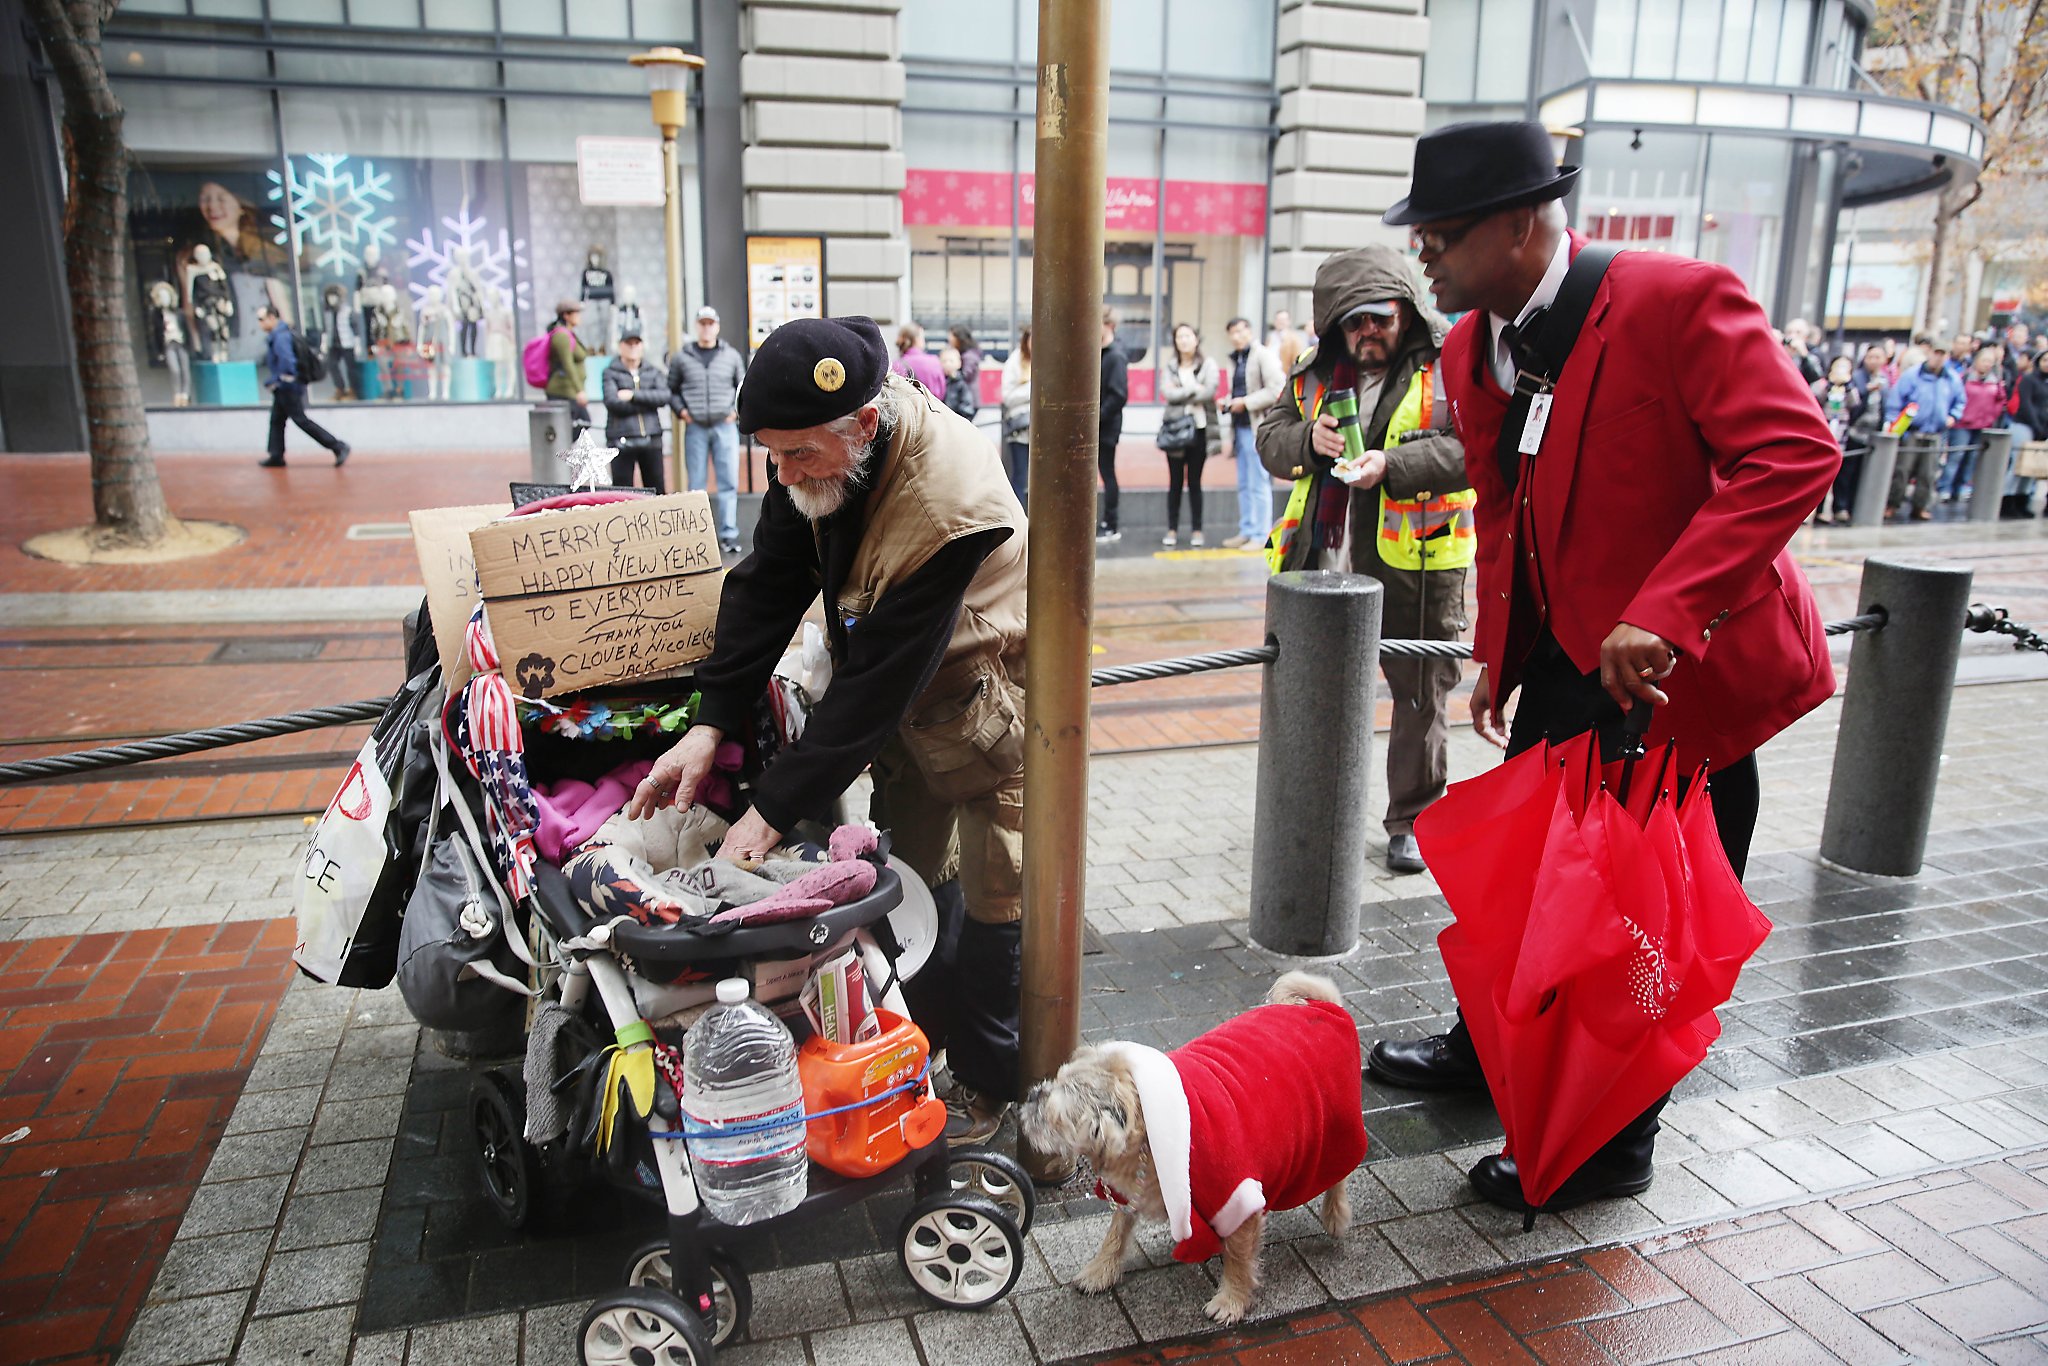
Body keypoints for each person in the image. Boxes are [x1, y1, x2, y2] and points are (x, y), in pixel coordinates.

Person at [1369, 121, 1838, 1216]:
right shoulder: (1468, 344)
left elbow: (1792, 452)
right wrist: (1496, 653)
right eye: (1420, 235)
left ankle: (1615, 1140)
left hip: (1684, 681)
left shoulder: (1676, 300)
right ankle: (1488, 1056)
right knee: (1524, 891)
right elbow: (1502, 504)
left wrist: (1665, 611)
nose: (1423, 257)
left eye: (1441, 235)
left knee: (1645, 934)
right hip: (1566, 669)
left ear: (1525, 222)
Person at [624, 316, 1027, 1145]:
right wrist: (709, 725)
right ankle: (929, 1042)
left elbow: (877, 683)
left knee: (999, 895)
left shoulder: (947, 502)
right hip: (914, 703)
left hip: (996, 706)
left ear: (865, 426)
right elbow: (767, 583)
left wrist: (766, 814)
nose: (782, 472)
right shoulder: (820, 452)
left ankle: (999, 1090)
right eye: (770, 455)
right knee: (913, 881)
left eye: (796, 455)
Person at [1255, 247, 1471, 876]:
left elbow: (1477, 447)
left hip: (1420, 565)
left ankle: (1414, 822)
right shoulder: (1311, 372)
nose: (1369, 332)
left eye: (1381, 317)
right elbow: (1272, 439)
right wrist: (1309, 441)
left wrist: (1392, 466)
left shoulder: (1449, 363)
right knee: (1313, 697)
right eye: (1355, 322)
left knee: (1420, 699)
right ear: (1335, 326)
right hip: (1320, 561)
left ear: (1405, 310)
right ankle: (1313, 819)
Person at [668, 306, 749, 555]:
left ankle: (728, 535)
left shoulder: (731, 356)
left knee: (728, 483)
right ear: (697, 326)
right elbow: (671, 390)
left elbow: (743, 387)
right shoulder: (682, 357)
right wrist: (682, 412)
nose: (706, 327)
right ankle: (697, 536)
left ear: (717, 326)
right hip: (696, 429)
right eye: (702, 323)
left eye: (710, 323)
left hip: (724, 427)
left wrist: (735, 412)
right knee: (696, 485)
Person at [255, 305, 349, 469]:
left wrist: (277, 381)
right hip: (285, 385)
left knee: (301, 420)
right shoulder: (280, 335)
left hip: (287, 386)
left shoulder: (280, 337)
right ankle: (276, 454)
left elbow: (287, 363)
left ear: (272, 317)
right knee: (277, 420)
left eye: (261, 319)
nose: (260, 324)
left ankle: (337, 446)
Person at [1157, 323, 1223, 548]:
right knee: (1174, 482)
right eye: (1179, 337)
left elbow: (1209, 392)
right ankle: (1172, 529)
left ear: (1196, 338)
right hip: (1175, 430)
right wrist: (1193, 389)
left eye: (1187, 336)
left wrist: (1182, 391)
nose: (1183, 340)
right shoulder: (1171, 366)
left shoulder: (1208, 364)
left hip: (1200, 430)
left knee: (1194, 482)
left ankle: (1197, 530)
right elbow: (1167, 392)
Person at [1885, 335, 1964, 520]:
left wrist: (1953, 416)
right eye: (1937, 353)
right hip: (1912, 430)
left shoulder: (1952, 378)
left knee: (1928, 474)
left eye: (1943, 354)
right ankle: (1892, 503)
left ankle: (1920, 505)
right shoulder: (1912, 375)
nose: (1939, 357)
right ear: (1929, 352)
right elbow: (1896, 400)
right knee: (1902, 470)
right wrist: (1893, 423)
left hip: (1936, 431)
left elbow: (1960, 401)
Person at [1222, 317, 1285, 549]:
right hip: (1239, 427)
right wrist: (1230, 403)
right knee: (1244, 482)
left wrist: (1246, 403)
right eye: (1233, 333)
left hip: (1257, 427)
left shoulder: (1262, 355)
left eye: (1241, 331)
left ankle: (1261, 534)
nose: (1237, 336)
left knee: (1259, 482)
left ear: (1249, 331)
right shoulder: (1237, 358)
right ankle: (1247, 529)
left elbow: (1277, 388)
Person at [601, 329, 671, 491]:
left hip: (651, 437)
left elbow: (663, 397)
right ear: (620, 346)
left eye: (636, 343)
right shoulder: (610, 372)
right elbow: (613, 402)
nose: (633, 347)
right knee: (622, 492)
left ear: (642, 346)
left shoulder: (652, 371)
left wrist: (632, 395)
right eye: (628, 343)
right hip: (621, 439)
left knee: (656, 489)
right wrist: (648, 402)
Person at [1940, 344, 2007, 503]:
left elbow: (2000, 400)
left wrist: (1992, 416)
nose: (1987, 364)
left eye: (1991, 361)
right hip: (1962, 424)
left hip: (1983, 424)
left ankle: (1961, 487)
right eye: (1985, 360)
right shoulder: (1964, 378)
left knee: (1971, 459)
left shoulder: (1994, 381)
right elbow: (1954, 398)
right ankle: (1944, 487)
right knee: (1956, 456)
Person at [1810, 355, 1862, 524]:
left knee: (1839, 476)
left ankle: (1836, 508)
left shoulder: (1850, 388)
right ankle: (1813, 511)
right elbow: (1813, 397)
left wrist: (1847, 385)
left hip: (1841, 435)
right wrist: (1830, 384)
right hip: (1821, 434)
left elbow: (1855, 405)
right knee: (1817, 476)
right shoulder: (1823, 385)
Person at [1098, 308, 1129, 543]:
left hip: (1105, 426)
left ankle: (1111, 523)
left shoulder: (1115, 356)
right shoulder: (1098, 353)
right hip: (1095, 424)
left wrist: (1095, 417)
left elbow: (1118, 395)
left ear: (1109, 325)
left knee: (1107, 473)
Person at [544, 299, 594, 441]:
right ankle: (559, 451)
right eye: (576, 313)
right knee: (579, 422)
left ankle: (562, 450)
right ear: (566, 315)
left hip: (569, 391)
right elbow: (568, 364)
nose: (579, 316)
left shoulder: (568, 334)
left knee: (579, 424)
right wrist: (579, 391)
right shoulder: (561, 336)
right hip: (562, 391)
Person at [999, 326, 1032, 507]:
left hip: (1045, 431)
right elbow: (1007, 396)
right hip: (1020, 429)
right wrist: (1033, 389)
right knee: (1019, 474)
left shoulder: (1051, 357)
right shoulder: (1015, 361)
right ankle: (1019, 517)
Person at [2013, 349, 2048, 519]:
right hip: (2025, 426)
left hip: (2043, 429)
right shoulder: (2029, 379)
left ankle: (2023, 500)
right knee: (2018, 466)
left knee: (2033, 469)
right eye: (2045, 360)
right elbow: (2026, 405)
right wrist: (2036, 426)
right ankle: (2010, 500)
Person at [891, 321, 947, 397]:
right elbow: (942, 392)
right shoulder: (934, 361)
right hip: (932, 407)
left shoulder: (896, 365)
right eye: (922, 337)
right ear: (916, 339)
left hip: (908, 407)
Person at [940, 346, 980, 423]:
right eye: (944, 361)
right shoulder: (939, 381)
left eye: (951, 361)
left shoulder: (961, 383)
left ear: (959, 363)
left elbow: (967, 407)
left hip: (957, 423)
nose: (948, 364)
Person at [949, 326, 984, 406]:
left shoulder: (969, 356)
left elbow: (966, 375)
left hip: (968, 401)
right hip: (965, 399)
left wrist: (954, 374)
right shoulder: (966, 354)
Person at [1783, 317, 1825, 385]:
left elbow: (1815, 377)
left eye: (1798, 332)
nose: (1793, 336)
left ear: (1805, 336)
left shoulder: (1813, 353)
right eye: (1789, 332)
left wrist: (1804, 355)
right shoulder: (1780, 350)